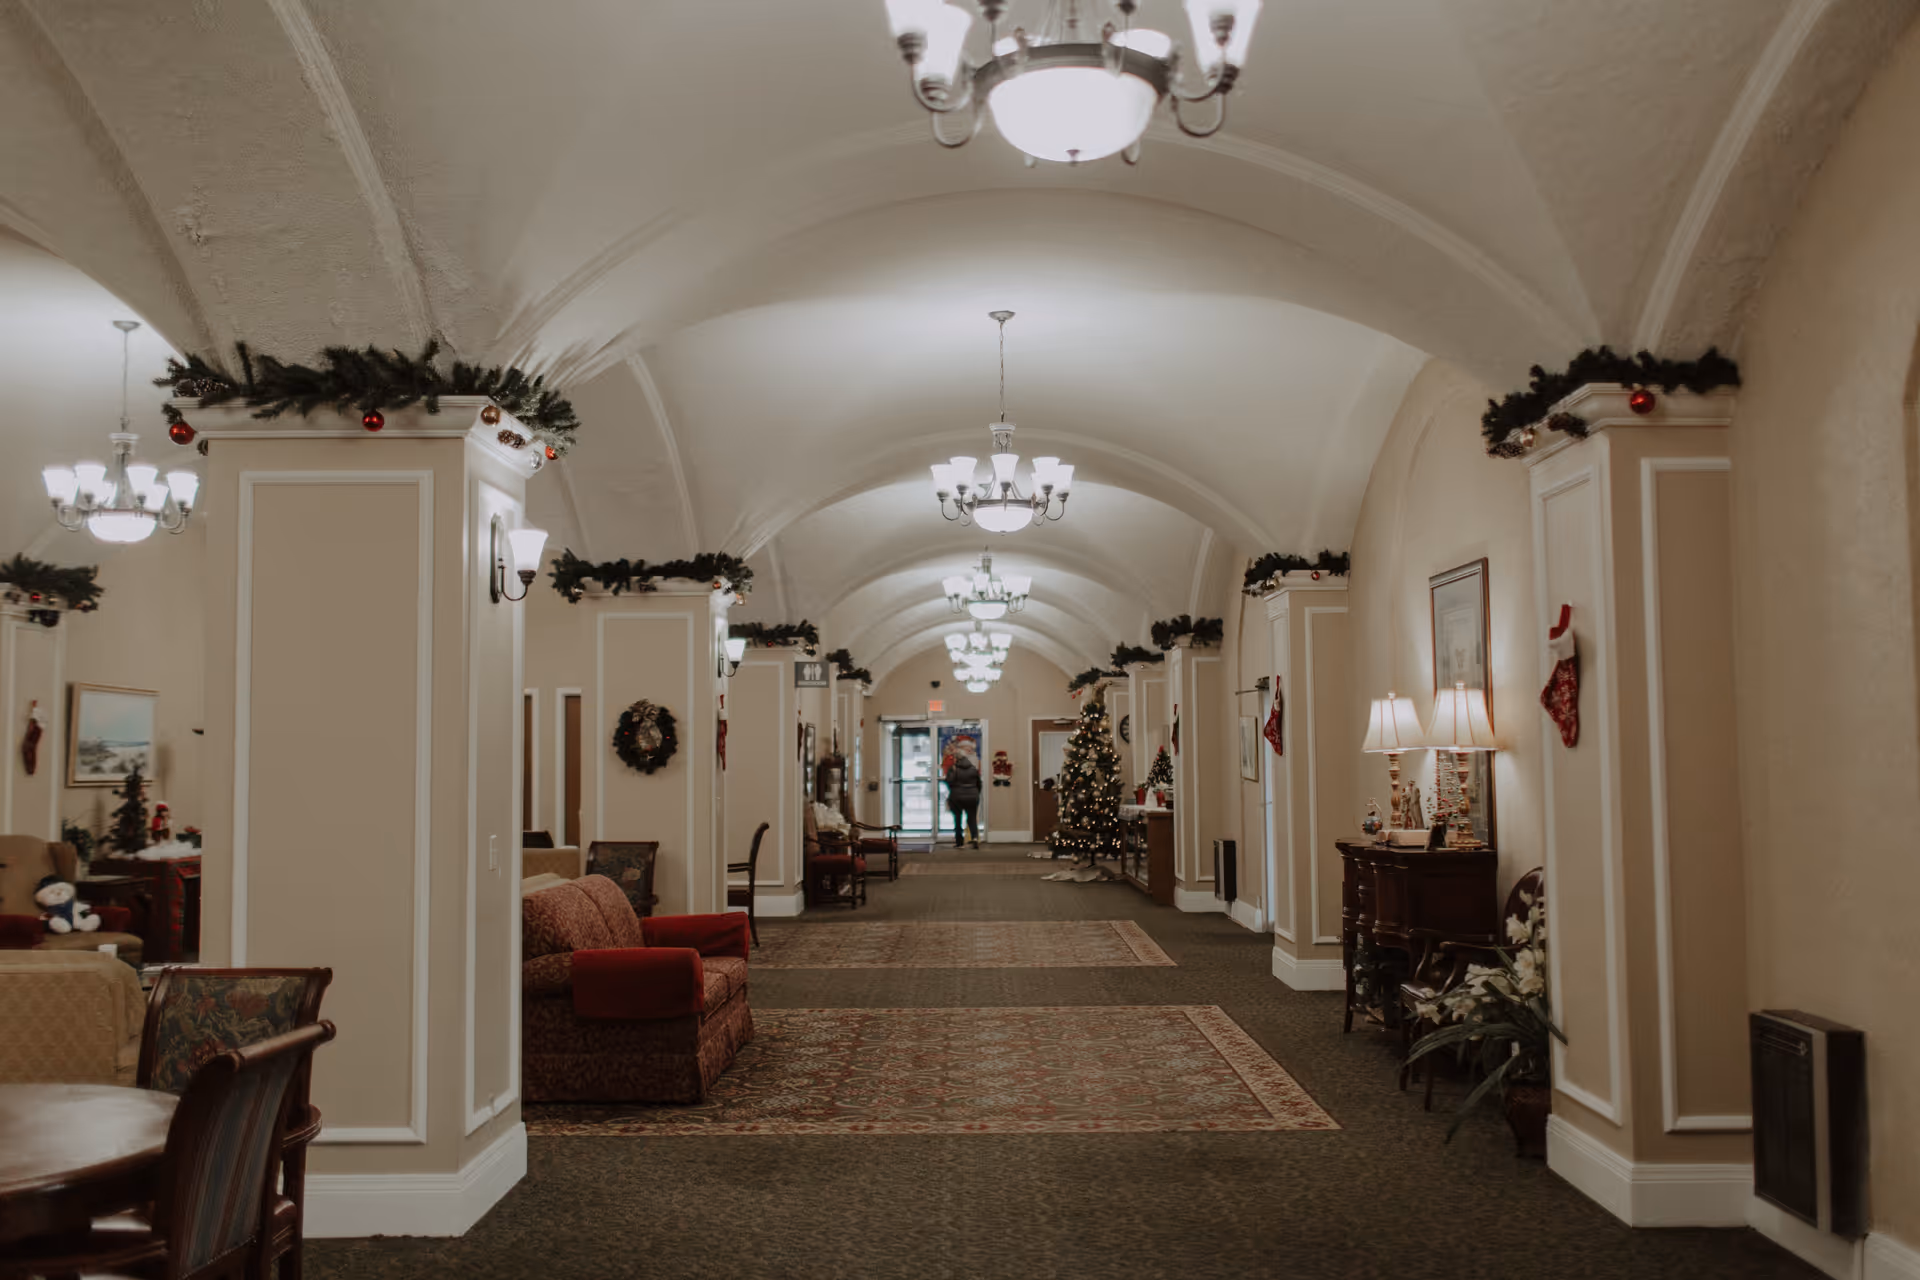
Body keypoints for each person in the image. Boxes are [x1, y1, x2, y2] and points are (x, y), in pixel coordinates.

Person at [943, 748, 982, 849]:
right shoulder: (973, 769)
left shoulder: (954, 769)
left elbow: (949, 781)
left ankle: (959, 842)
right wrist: (975, 792)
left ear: (956, 759)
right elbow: (979, 784)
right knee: (972, 818)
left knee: (958, 819)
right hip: (973, 796)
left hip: (957, 797)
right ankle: (975, 838)